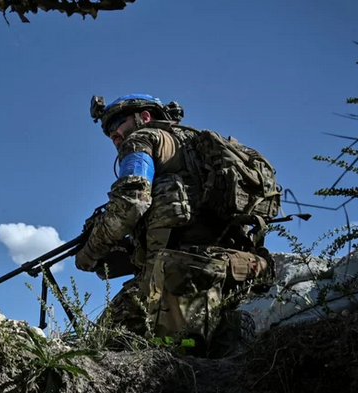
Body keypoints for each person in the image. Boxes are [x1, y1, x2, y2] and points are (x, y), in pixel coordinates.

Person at [74, 93, 279, 357]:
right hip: (238, 267)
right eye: (109, 131)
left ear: (144, 117)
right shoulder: (201, 147)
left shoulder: (141, 139)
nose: (113, 135)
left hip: (182, 272)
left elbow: (131, 201)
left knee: (101, 344)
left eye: (117, 124)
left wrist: (90, 252)